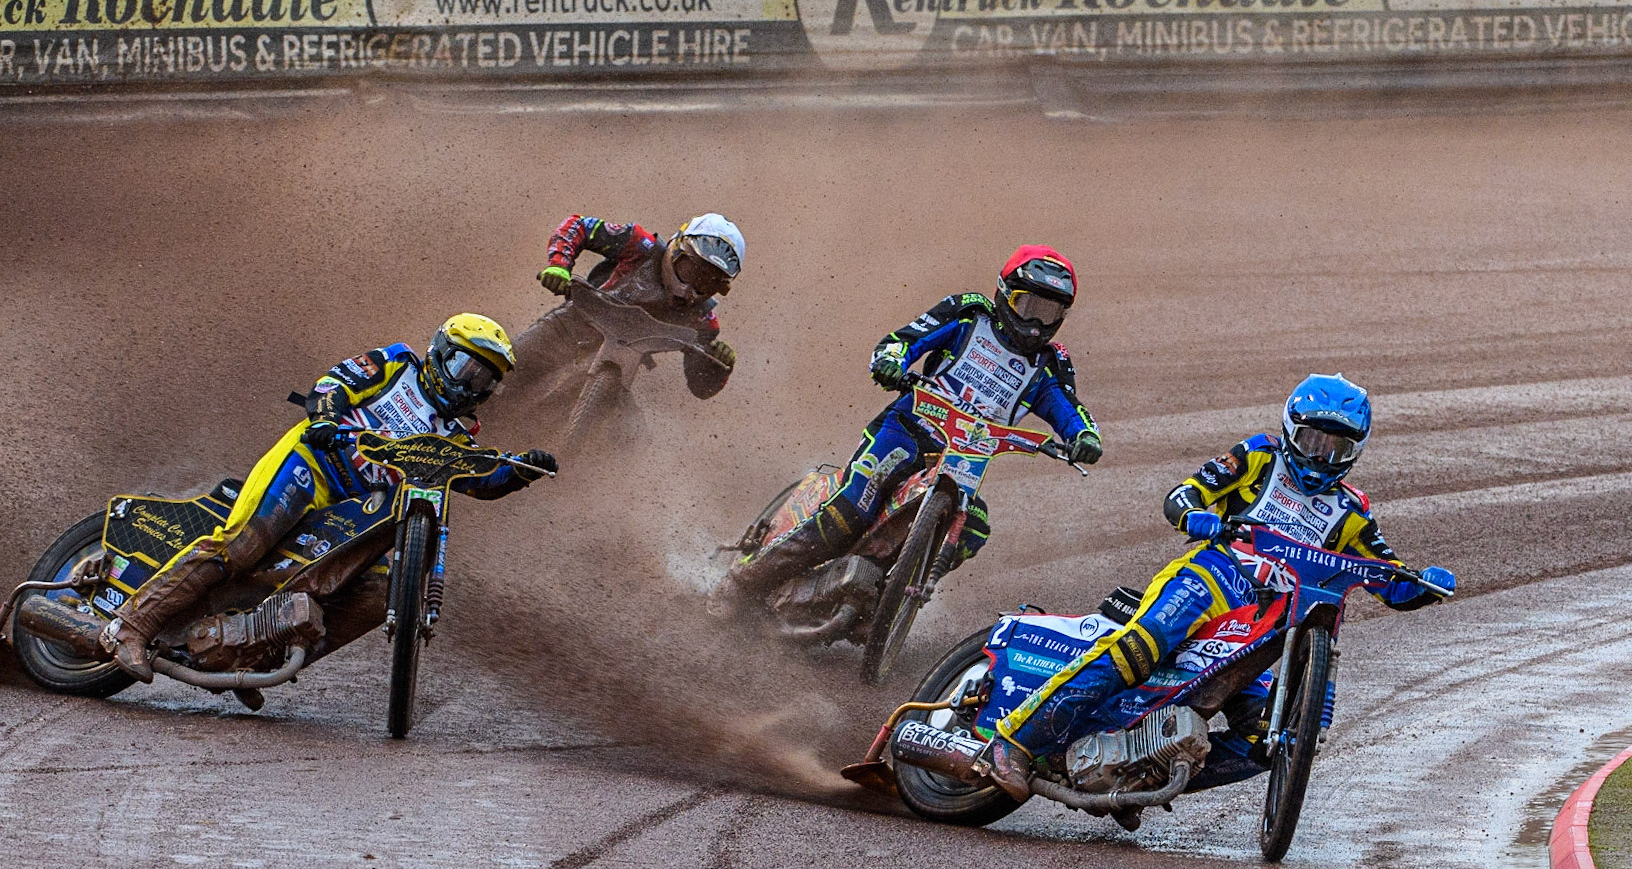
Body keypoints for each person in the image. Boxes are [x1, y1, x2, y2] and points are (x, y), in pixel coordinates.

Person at [979, 372, 1457, 807]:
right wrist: (1197, 516)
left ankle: (1141, 779)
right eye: (1312, 440)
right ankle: (1014, 742)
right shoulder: (1259, 456)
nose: (1319, 457)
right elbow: (1182, 495)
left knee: (1268, 738)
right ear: (1291, 429)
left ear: (1356, 451)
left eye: (1335, 448)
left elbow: (1390, 578)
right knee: (1140, 647)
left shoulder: (1352, 511)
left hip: (1263, 628)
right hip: (1211, 578)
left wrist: (1424, 583)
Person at [100, 314, 558, 682]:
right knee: (242, 544)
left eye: (484, 380)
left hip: (362, 512)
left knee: (380, 595)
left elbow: (477, 480)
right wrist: (324, 419)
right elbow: (333, 383)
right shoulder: (397, 363)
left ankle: (257, 656)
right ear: (440, 353)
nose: (470, 385)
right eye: (465, 369)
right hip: (314, 466)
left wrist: (520, 471)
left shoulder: (459, 434)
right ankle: (131, 626)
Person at [715, 245, 1101, 607]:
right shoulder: (968, 315)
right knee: (851, 510)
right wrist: (890, 363)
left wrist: (1084, 436)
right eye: (1027, 305)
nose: (1034, 324)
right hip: (907, 431)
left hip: (965, 462)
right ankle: (743, 581)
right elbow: (903, 340)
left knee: (974, 527)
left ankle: (892, 599)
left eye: (1048, 313)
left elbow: (1069, 409)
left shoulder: (1049, 364)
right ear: (1004, 293)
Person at [514, 212, 743, 402]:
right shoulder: (640, 244)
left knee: (633, 435)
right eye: (692, 271)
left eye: (707, 283)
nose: (692, 288)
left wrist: (719, 367)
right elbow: (578, 225)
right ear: (676, 249)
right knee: (501, 364)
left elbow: (700, 388)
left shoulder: (703, 320)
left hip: (618, 376)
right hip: (566, 330)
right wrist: (559, 266)